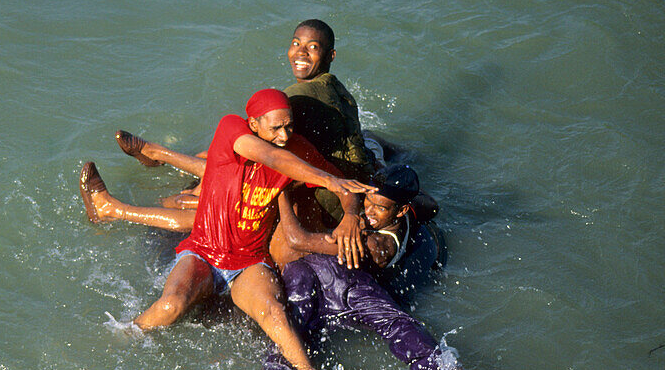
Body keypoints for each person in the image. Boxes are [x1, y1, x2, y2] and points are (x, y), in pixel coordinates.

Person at [81, 89, 377, 370]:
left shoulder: (296, 149)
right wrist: (326, 179)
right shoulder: (231, 129)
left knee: (275, 314)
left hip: (248, 261)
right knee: (171, 304)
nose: (284, 137)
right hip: (204, 250)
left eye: (289, 128)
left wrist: (350, 214)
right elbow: (272, 157)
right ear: (253, 124)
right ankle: (110, 344)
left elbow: (346, 187)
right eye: (276, 129)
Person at [264, 164, 501, 370]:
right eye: (369, 202)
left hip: (311, 276)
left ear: (400, 211)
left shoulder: (376, 244)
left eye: (380, 208)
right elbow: (430, 206)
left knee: (283, 345)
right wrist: (354, 212)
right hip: (355, 291)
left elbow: (296, 240)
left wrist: (281, 192)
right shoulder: (409, 214)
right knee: (398, 324)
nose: (371, 211)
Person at [114, 19, 439, 223]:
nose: (300, 52)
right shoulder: (334, 86)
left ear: (330, 55)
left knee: (212, 178)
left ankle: (154, 160)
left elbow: (250, 145)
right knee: (240, 144)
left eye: (313, 47)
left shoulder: (298, 97)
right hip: (347, 171)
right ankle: (155, 157)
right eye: (296, 43)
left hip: (329, 198)